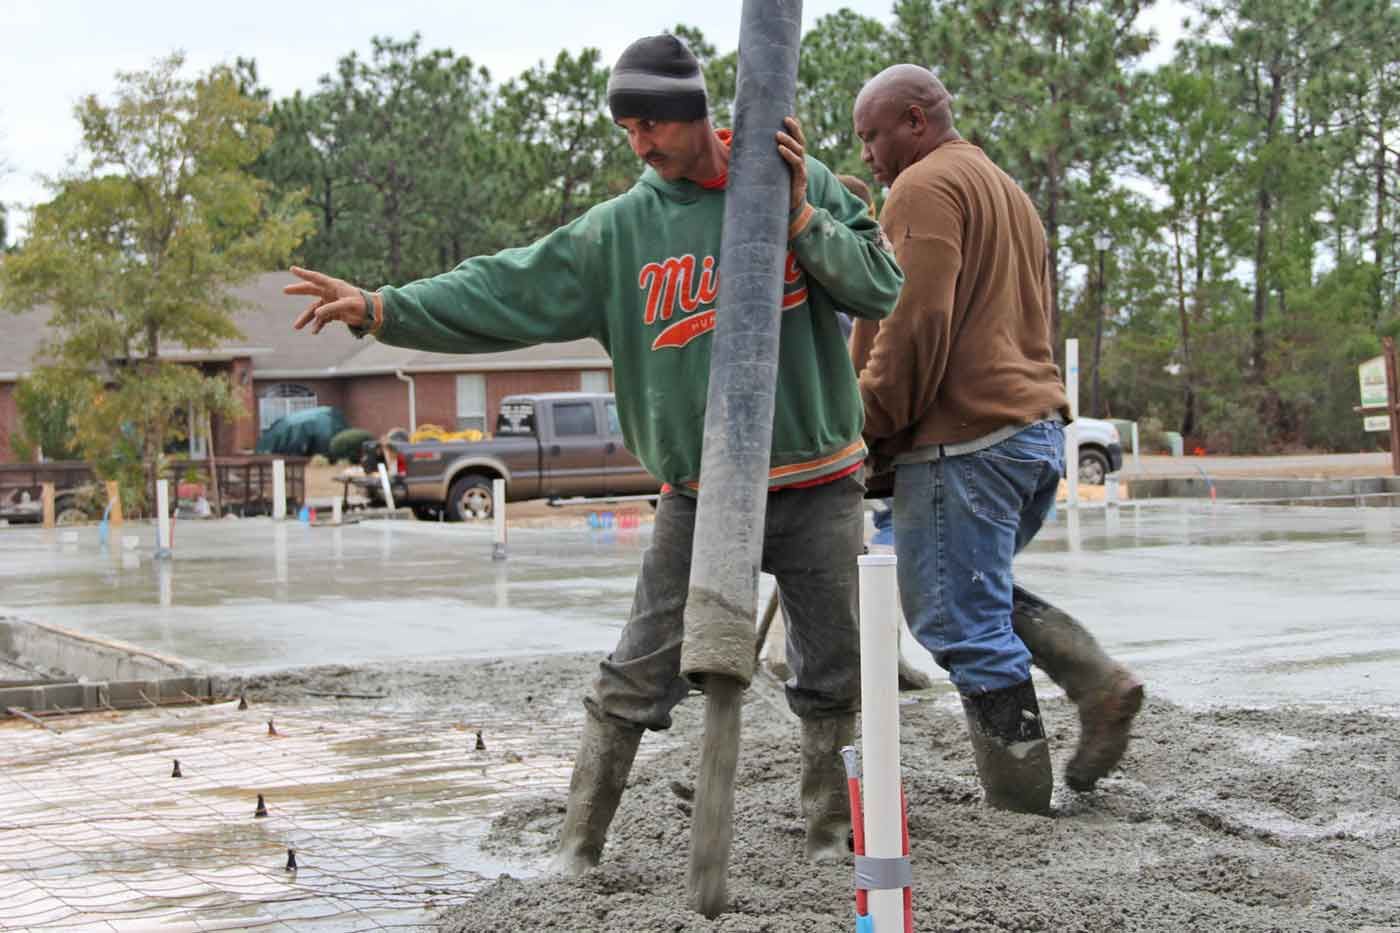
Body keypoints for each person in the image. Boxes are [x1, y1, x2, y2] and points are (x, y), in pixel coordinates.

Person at [286, 35, 902, 869]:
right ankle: (579, 844)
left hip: (817, 478)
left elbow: (879, 285)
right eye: (628, 128)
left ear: (699, 115)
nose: (641, 141)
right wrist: (381, 307)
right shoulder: (620, 232)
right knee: (637, 669)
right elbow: (502, 285)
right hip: (698, 491)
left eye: (653, 122)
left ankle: (831, 831)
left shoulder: (798, 178)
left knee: (831, 667)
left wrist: (800, 216)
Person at [849, 64, 1143, 815]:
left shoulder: (921, 189)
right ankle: (1098, 682)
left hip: (966, 439)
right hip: (1034, 431)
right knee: (969, 586)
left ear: (916, 120)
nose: (868, 156)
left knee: (955, 615)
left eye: (873, 136)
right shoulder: (1007, 192)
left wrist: (865, 426)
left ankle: (1020, 801)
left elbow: (913, 327)